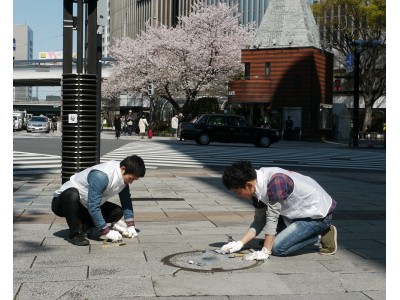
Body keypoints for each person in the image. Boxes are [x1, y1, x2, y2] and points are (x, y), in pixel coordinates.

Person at [219, 160, 337, 260]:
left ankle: (320, 234)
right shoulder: (256, 186)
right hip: (294, 212)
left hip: (316, 216)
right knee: (271, 237)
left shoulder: (276, 182)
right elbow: (260, 220)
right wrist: (240, 243)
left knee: (278, 248)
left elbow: (272, 217)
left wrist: (266, 251)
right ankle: (293, 234)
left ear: (249, 185)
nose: (239, 196)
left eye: (238, 192)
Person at [51, 155, 146, 246]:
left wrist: (130, 225)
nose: (131, 182)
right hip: (63, 203)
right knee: (72, 194)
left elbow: (126, 201)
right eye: (131, 178)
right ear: (123, 169)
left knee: (117, 212)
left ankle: (85, 225)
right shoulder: (101, 176)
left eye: (134, 180)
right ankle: (74, 234)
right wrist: (106, 232)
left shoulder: (123, 178)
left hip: (85, 205)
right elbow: (93, 206)